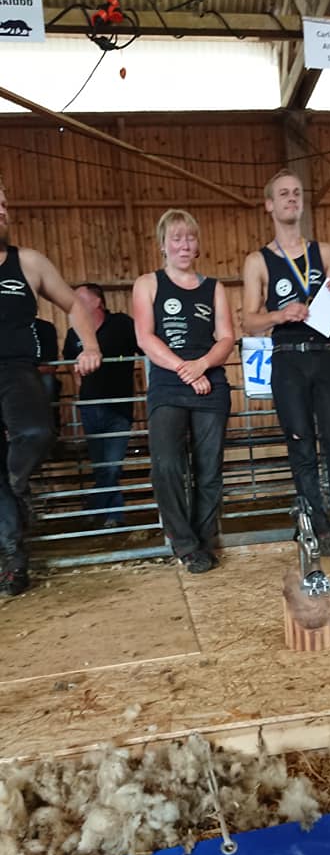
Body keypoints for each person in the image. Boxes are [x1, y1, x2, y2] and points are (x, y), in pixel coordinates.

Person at [242, 168, 330, 557]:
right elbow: (248, 321)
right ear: (269, 205)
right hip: (287, 360)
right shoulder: (258, 261)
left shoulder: (324, 252)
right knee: (301, 443)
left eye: (297, 192)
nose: (292, 198)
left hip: (324, 355)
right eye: (283, 193)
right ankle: (317, 527)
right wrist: (280, 315)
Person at [0, 177, 101, 596]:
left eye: (3, 204)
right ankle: (13, 563)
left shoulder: (28, 262)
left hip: (16, 369)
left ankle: (17, 484)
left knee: (38, 433)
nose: (2, 211)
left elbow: (73, 303)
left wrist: (90, 344)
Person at [133, 209, 234, 574]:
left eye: (190, 237)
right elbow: (145, 337)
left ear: (198, 244)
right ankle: (184, 544)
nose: (184, 245)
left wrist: (202, 365)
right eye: (176, 238)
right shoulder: (148, 284)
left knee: (209, 467)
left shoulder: (214, 288)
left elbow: (227, 337)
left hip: (210, 382)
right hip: (168, 383)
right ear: (163, 245)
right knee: (167, 465)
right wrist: (186, 370)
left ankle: (204, 540)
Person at [63, 284, 139, 529]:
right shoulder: (74, 332)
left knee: (112, 465)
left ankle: (93, 508)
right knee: (100, 464)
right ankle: (113, 516)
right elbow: (70, 363)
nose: (74, 301)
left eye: (80, 298)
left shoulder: (121, 324)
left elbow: (143, 346)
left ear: (97, 302)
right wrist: (79, 385)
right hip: (90, 405)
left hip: (119, 405)